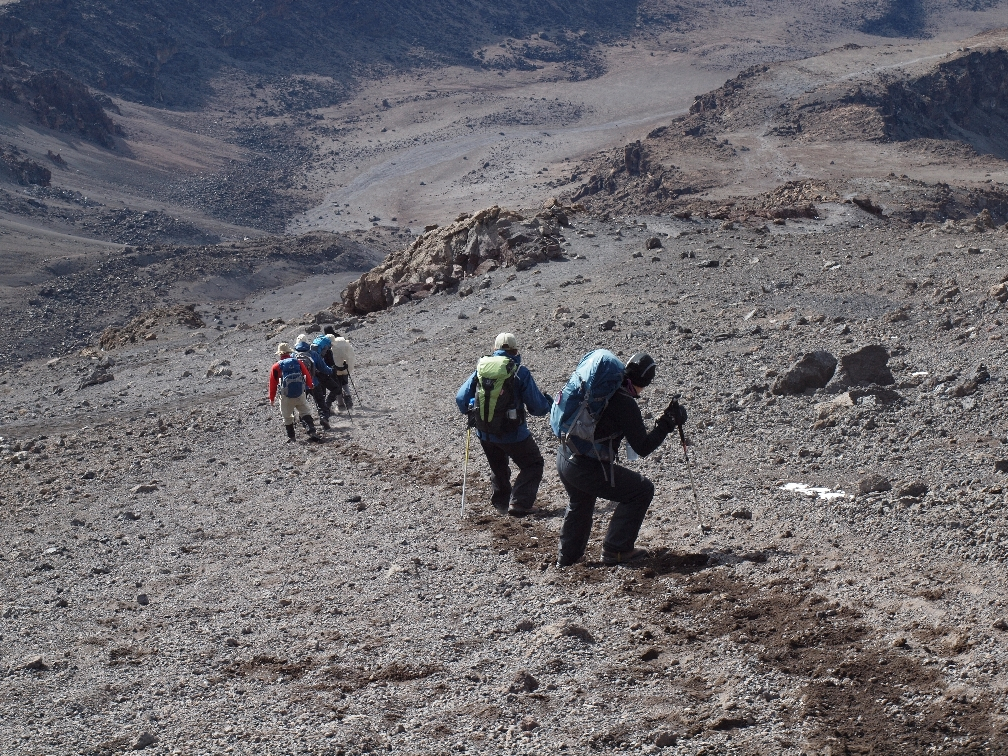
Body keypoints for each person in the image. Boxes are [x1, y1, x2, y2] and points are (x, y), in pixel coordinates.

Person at [555, 352, 688, 566]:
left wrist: (662, 423)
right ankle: (616, 549)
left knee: (581, 502)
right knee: (641, 490)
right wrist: (667, 423)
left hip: (565, 457)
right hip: (585, 466)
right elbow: (642, 447)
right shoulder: (624, 402)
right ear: (645, 381)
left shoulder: (601, 391)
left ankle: (567, 560)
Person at [455, 332, 552, 516]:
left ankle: (501, 503)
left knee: (498, 467)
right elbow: (537, 408)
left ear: (495, 350)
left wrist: (471, 412)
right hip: (513, 433)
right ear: (515, 351)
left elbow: (461, 399)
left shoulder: (481, 369)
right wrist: (548, 404)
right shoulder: (519, 371)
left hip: (485, 433)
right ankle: (520, 503)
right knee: (533, 464)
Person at [268, 342, 317, 442]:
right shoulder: (297, 362)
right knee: (305, 412)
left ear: (280, 354)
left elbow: (272, 384)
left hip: (285, 396)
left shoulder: (276, 366)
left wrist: (272, 398)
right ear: (289, 352)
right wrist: (310, 385)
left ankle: (292, 437)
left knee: (287, 416)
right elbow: (306, 374)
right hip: (300, 393)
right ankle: (312, 431)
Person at [295, 333, 337, 428]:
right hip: (314, 383)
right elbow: (323, 368)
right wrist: (332, 371)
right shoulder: (312, 353)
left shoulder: (293, 355)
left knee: (302, 405)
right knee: (321, 403)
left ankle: (305, 423)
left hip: (301, 385)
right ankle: (323, 419)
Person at [321, 329, 356, 412]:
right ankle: (348, 399)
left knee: (337, 385)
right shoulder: (341, 338)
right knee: (345, 383)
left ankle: (340, 404)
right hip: (345, 365)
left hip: (335, 368)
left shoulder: (327, 344)